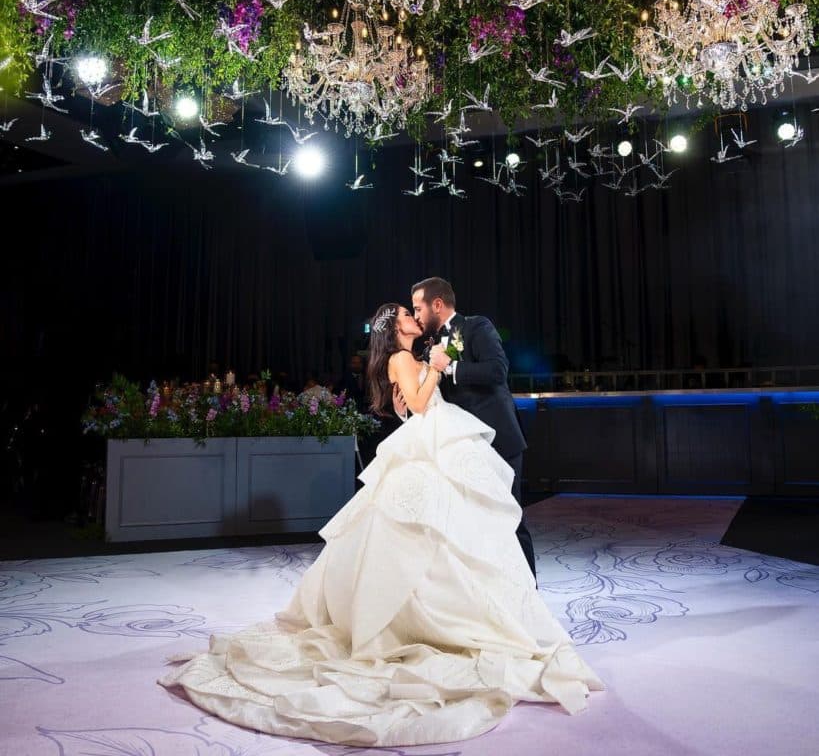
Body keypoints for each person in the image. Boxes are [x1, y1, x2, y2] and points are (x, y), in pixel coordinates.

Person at [160, 303, 602, 745]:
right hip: (426, 449)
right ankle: (413, 619)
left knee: (452, 534)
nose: (413, 316)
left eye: (413, 311)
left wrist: (431, 371)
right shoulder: (402, 357)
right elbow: (419, 402)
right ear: (395, 330)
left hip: (436, 444)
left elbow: (410, 407)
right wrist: (438, 367)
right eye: (405, 315)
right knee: (418, 534)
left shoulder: (413, 355)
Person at [410, 276, 537, 579]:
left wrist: (450, 367)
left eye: (418, 308)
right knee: (473, 525)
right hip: (464, 449)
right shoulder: (430, 346)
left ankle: (528, 593)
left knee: (509, 517)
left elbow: (497, 370)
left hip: (498, 441)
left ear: (437, 304)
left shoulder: (476, 326)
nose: (416, 315)